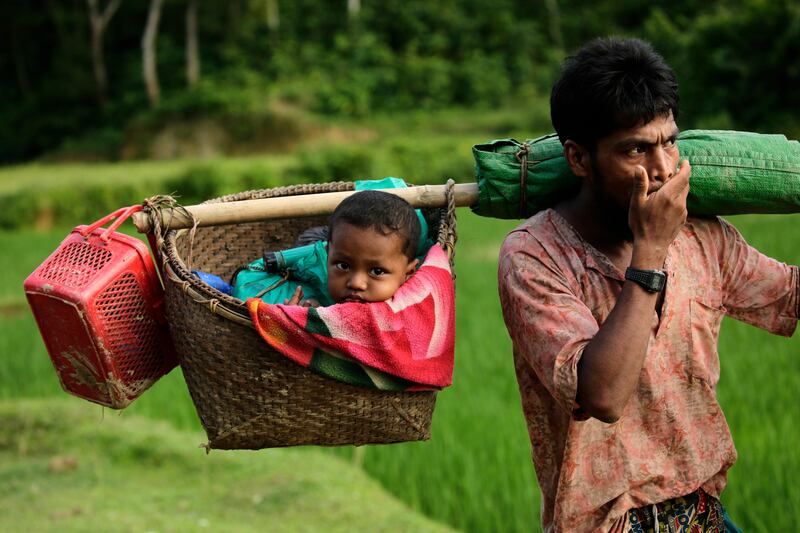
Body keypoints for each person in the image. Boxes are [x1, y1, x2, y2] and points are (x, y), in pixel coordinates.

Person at [497, 37, 797, 532]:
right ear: (578, 158)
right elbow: (604, 396)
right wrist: (651, 250)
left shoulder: (701, 234)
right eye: (635, 149)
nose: (661, 169)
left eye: (668, 142)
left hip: (701, 513)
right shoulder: (534, 255)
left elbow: (788, 293)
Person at [286, 189, 420, 306]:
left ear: (408, 273)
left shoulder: (408, 316)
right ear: (328, 257)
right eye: (343, 266)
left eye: (377, 271)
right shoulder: (321, 303)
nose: (356, 283)